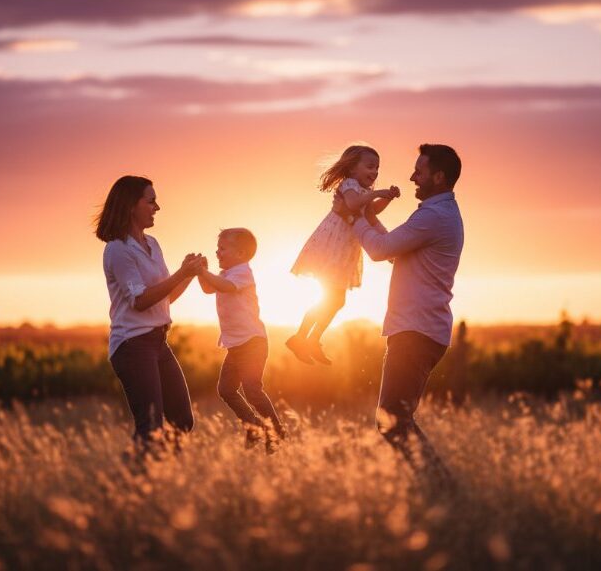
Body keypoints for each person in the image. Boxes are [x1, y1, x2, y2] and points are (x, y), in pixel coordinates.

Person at [351, 144, 464, 480]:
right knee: (395, 420)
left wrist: (352, 217)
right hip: (419, 329)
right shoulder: (435, 214)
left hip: (416, 331)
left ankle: (442, 490)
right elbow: (392, 250)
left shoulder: (434, 216)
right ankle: (437, 489)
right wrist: (368, 218)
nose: (413, 176)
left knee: (392, 421)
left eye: (420, 170)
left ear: (439, 176)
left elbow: (378, 251)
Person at [95, 175, 206, 453]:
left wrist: (189, 275)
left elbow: (164, 299)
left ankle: (159, 476)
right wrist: (182, 272)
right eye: (151, 201)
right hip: (132, 346)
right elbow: (141, 301)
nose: (157, 207)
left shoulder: (153, 244)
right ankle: (130, 482)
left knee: (181, 420)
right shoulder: (117, 250)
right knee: (151, 426)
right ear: (132, 205)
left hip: (157, 343)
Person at [288, 145, 400, 365]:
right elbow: (352, 204)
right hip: (332, 248)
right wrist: (376, 193)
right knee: (332, 298)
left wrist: (387, 199)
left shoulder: (362, 192)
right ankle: (302, 338)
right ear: (352, 168)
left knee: (336, 300)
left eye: (377, 168)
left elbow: (371, 214)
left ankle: (308, 339)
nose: (375, 172)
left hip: (344, 252)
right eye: (369, 166)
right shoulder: (349, 185)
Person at [198, 228, 287, 453]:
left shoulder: (242, 272)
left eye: (222, 248)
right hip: (236, 346)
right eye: (217, 248)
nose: (217, 252)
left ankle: (275, 431)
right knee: (226, 389)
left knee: (252, 390)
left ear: (240, 253)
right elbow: (210, 288)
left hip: (252, 343)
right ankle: (253, 425)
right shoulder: (226, 273)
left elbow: (224, 287)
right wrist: (200, 271)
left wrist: (202, 271)